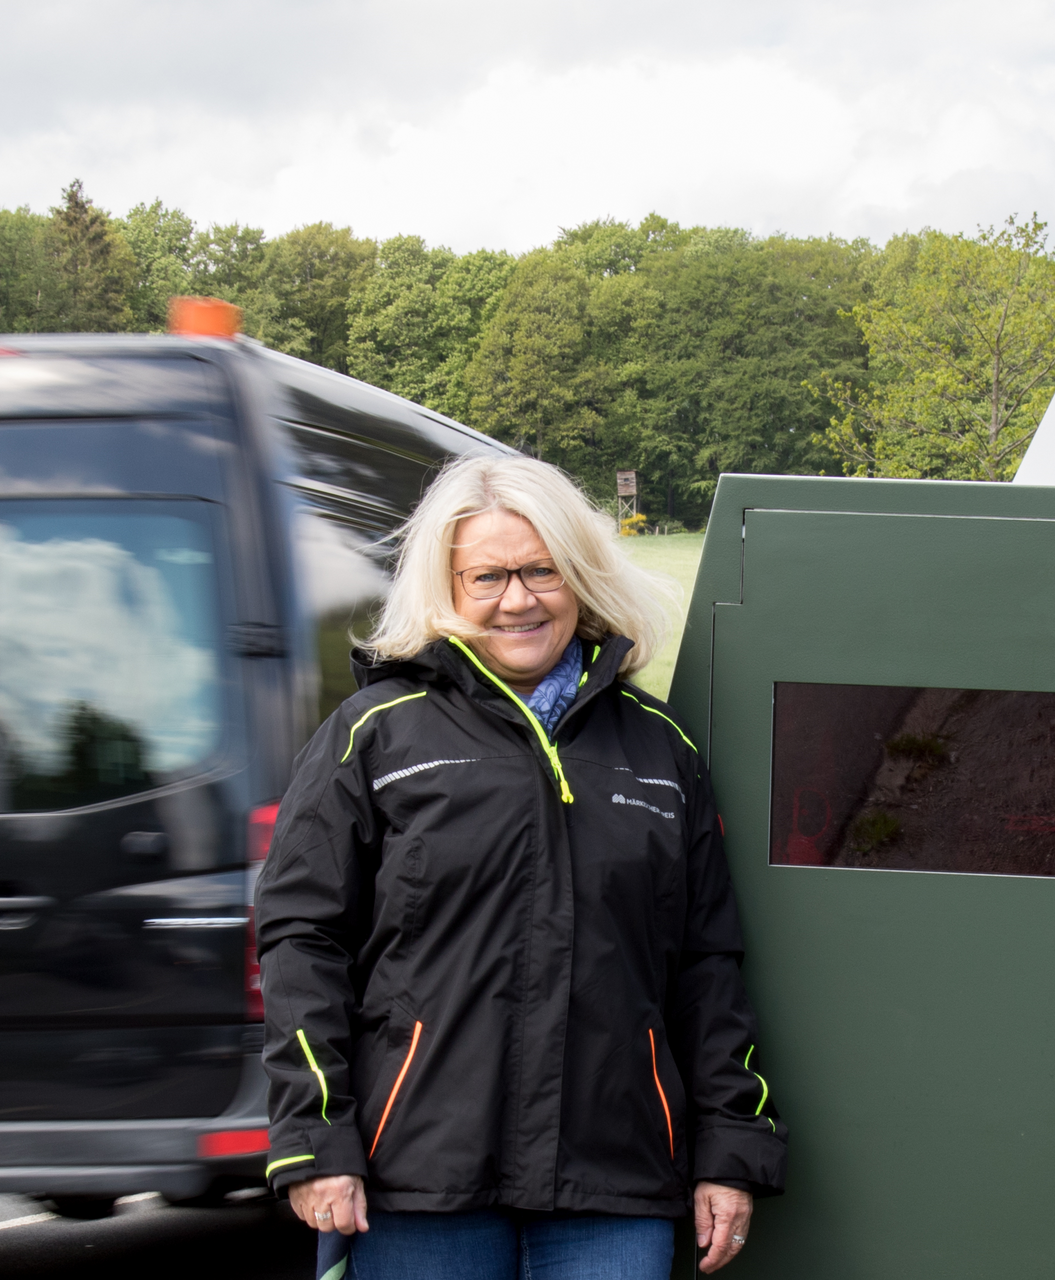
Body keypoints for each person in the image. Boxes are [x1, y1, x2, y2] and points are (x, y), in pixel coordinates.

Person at [256, 456, 784, 1278]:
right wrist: (316, 1139)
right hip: (417, 1186)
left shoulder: (659, 749)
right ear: (447, 586)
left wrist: (730, 1148)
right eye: (489, 576)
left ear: (580, 577)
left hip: (615, 1183)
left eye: (542, 571)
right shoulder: (374, 738)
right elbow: (301, 942)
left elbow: (706, 968)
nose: (517, 599)